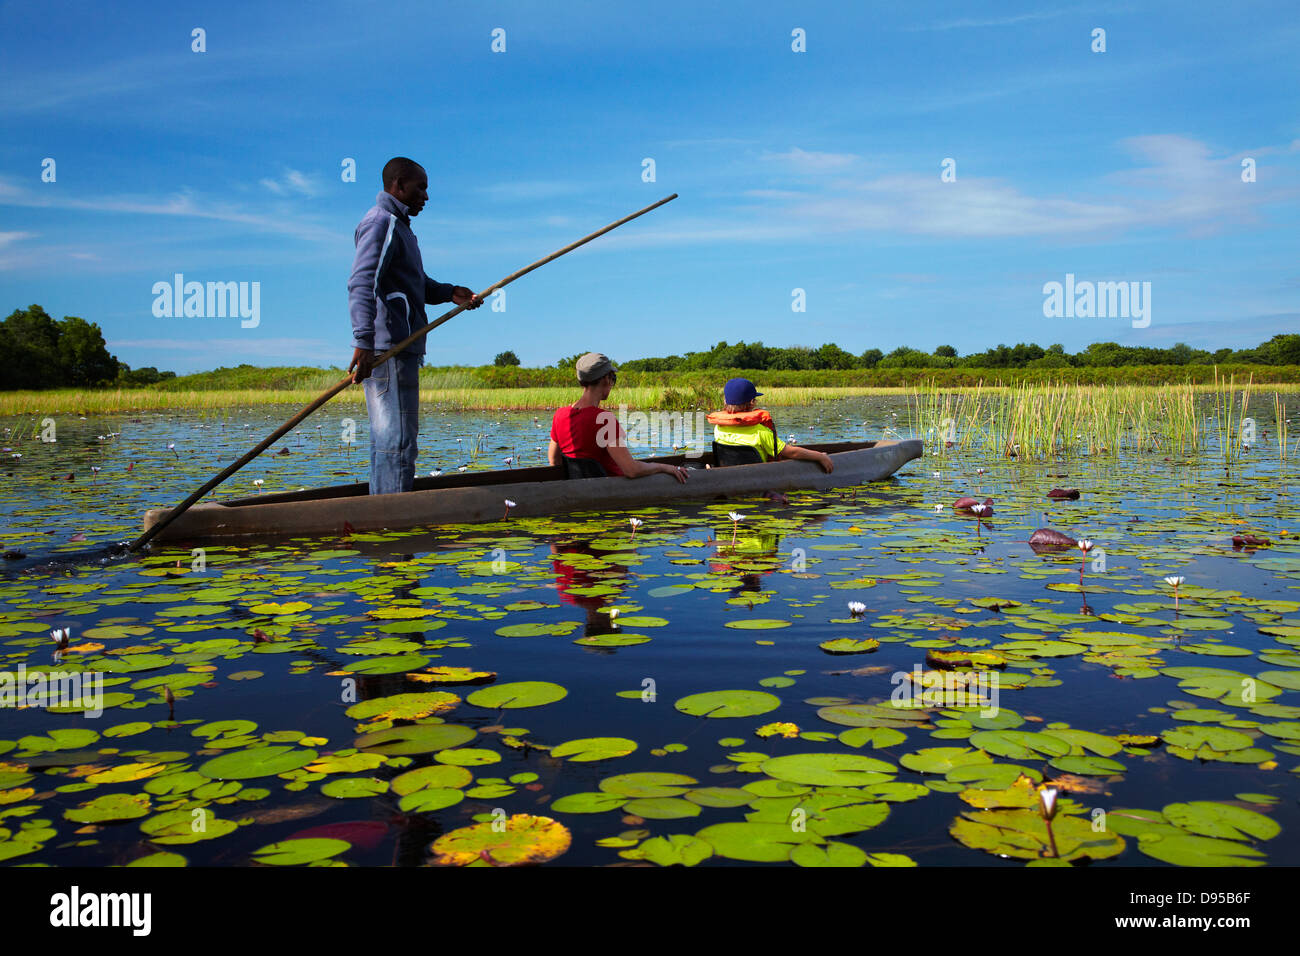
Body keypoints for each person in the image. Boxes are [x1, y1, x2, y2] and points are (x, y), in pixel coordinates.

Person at [346, 157, 482, 495]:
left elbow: (413, 284)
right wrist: (363, 342)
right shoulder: (382, 222)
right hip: (387, 348)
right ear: (398, 185)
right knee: (396, 438)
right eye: (420, 187)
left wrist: (449, 292)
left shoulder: (401, 227)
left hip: (402, 347)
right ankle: (392, 514)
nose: (425, 195)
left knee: (395, 438)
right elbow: (362, 283)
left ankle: (386, 507)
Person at [547, 352, 688, 482]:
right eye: (613, 378)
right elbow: (631, 470)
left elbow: (554, 460)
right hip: (611, 491)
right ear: (605, 379)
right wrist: (665, 467)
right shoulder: (604, 419)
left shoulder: (560, 415)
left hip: (582, 491)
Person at [708, 377, 834, 472]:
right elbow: (791, 453)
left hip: (729, 474)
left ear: (725, 401)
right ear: (752, 402)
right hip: (757, 476)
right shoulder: (760, 432)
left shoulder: (719, 428)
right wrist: (820, 457)